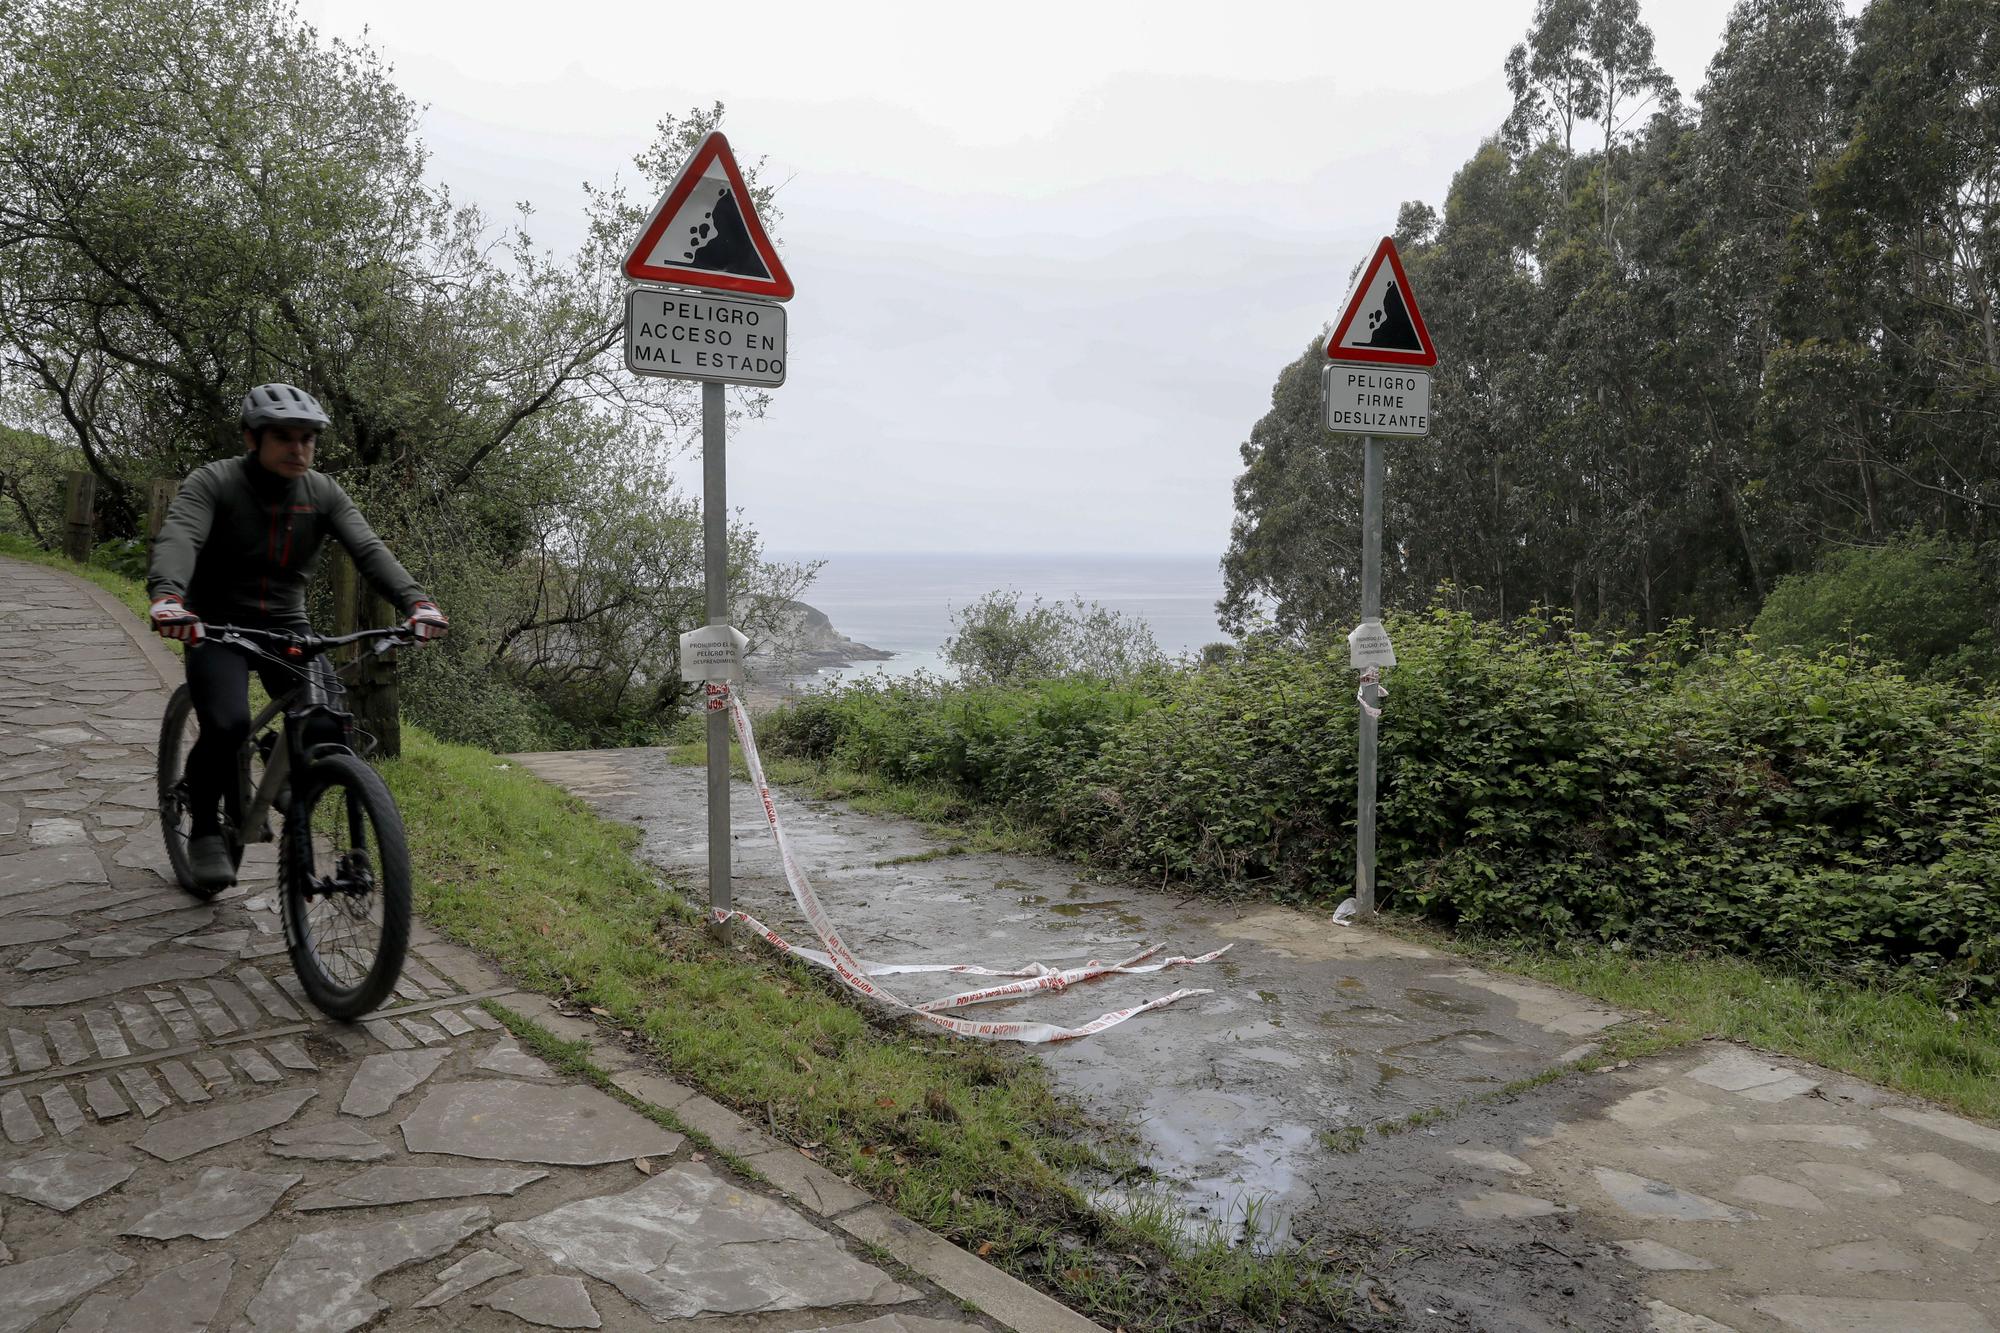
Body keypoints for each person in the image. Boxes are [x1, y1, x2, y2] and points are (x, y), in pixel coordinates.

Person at [145, 383, 447, 890]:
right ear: (252, 438)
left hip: (287, 623)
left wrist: (416, 602)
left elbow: (368, 550)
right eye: (284, 437)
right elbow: (182, 535)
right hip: (216, 624)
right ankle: (203, 831)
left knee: (330, 724)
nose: (298, 448)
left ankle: (282, 764)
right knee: (226, 724)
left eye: (308, 438)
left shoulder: (323, 492)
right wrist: (168, 597)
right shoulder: (214, 482)